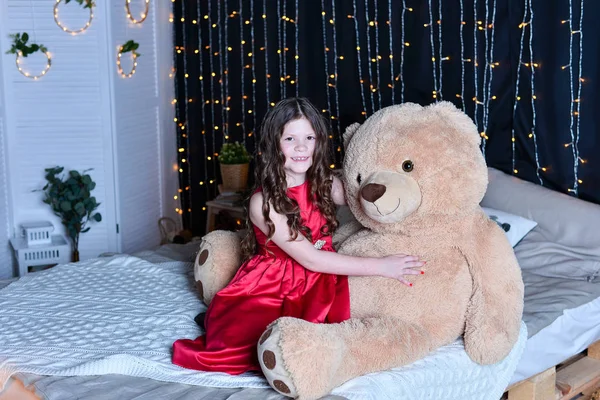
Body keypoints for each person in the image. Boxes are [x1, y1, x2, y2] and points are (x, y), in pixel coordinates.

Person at [172, 97, 425, 375]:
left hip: (321, 276)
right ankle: (217, 318)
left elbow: (363, 194)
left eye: (309, 137)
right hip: (275, 284)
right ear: (273, 145)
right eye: (290, 138)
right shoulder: (263, 203)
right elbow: (312, 259)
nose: (302, 147)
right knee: (260, 345)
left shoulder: (327, 183)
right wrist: (383, 266)